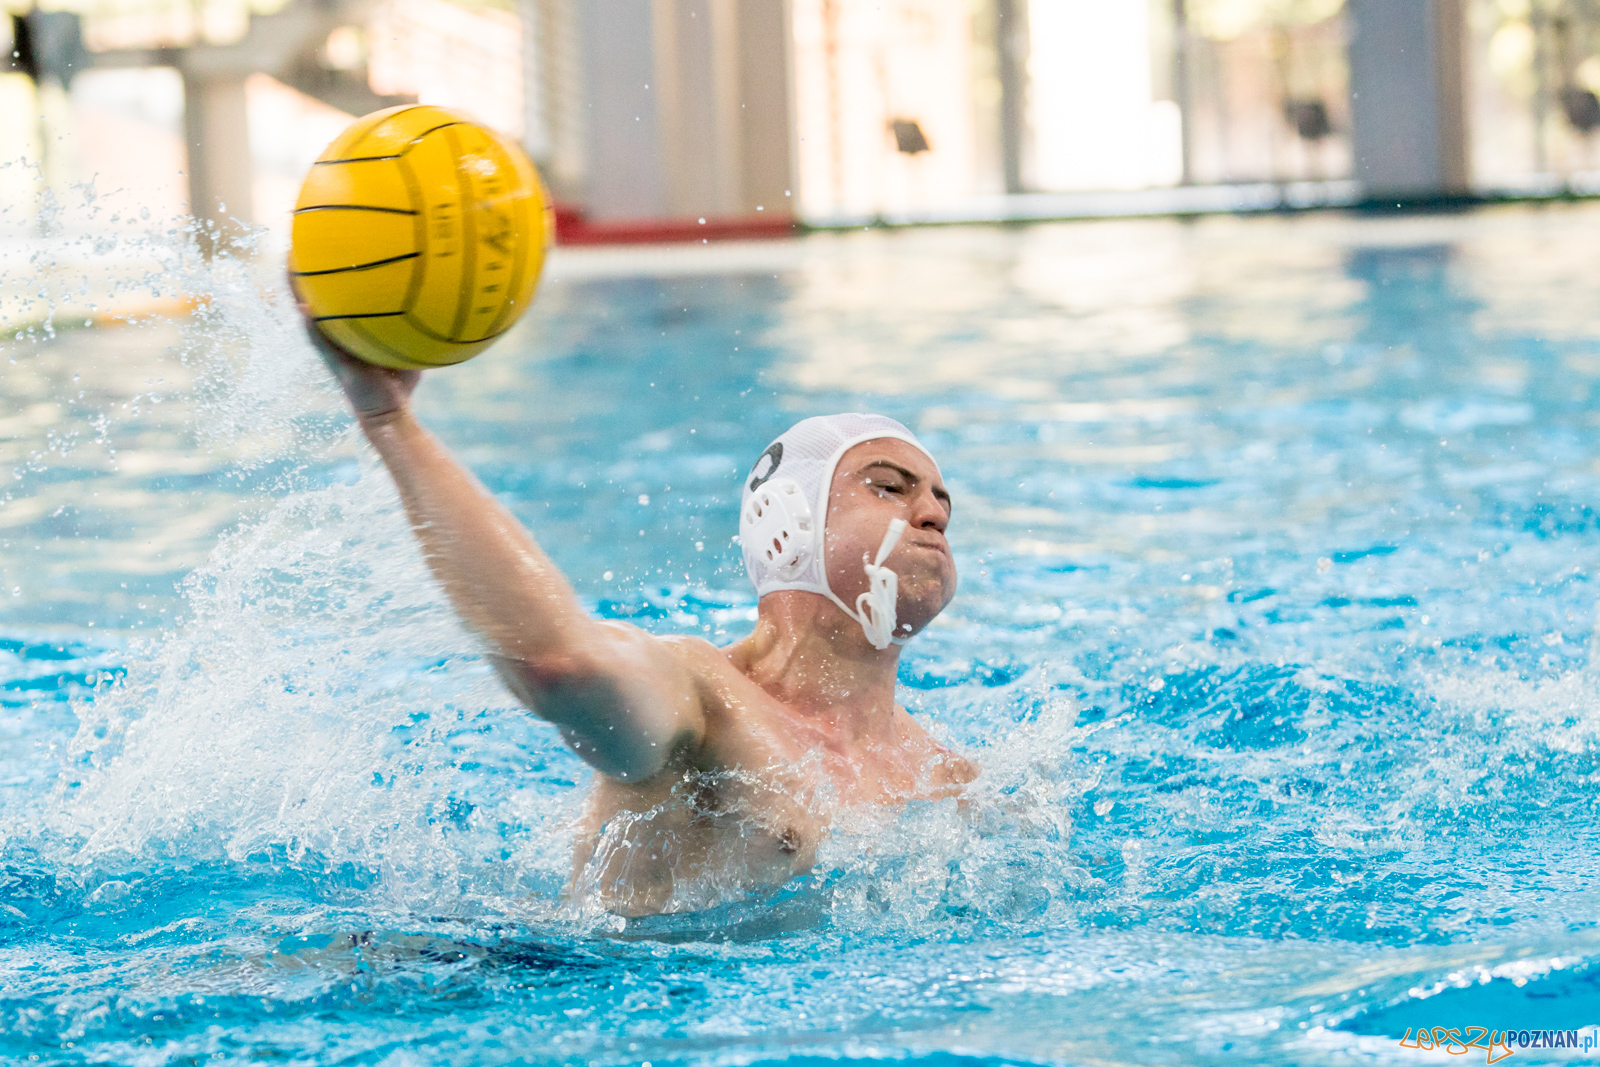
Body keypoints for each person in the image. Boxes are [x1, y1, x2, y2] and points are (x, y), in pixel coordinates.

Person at [305, 316, 977, 917]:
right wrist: (391, 424)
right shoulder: (700, 694)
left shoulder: (952, 780)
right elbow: (559, 663)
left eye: (942, 501)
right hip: (542, 986)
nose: (932, 512)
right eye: (888, 486)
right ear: (788, 524)